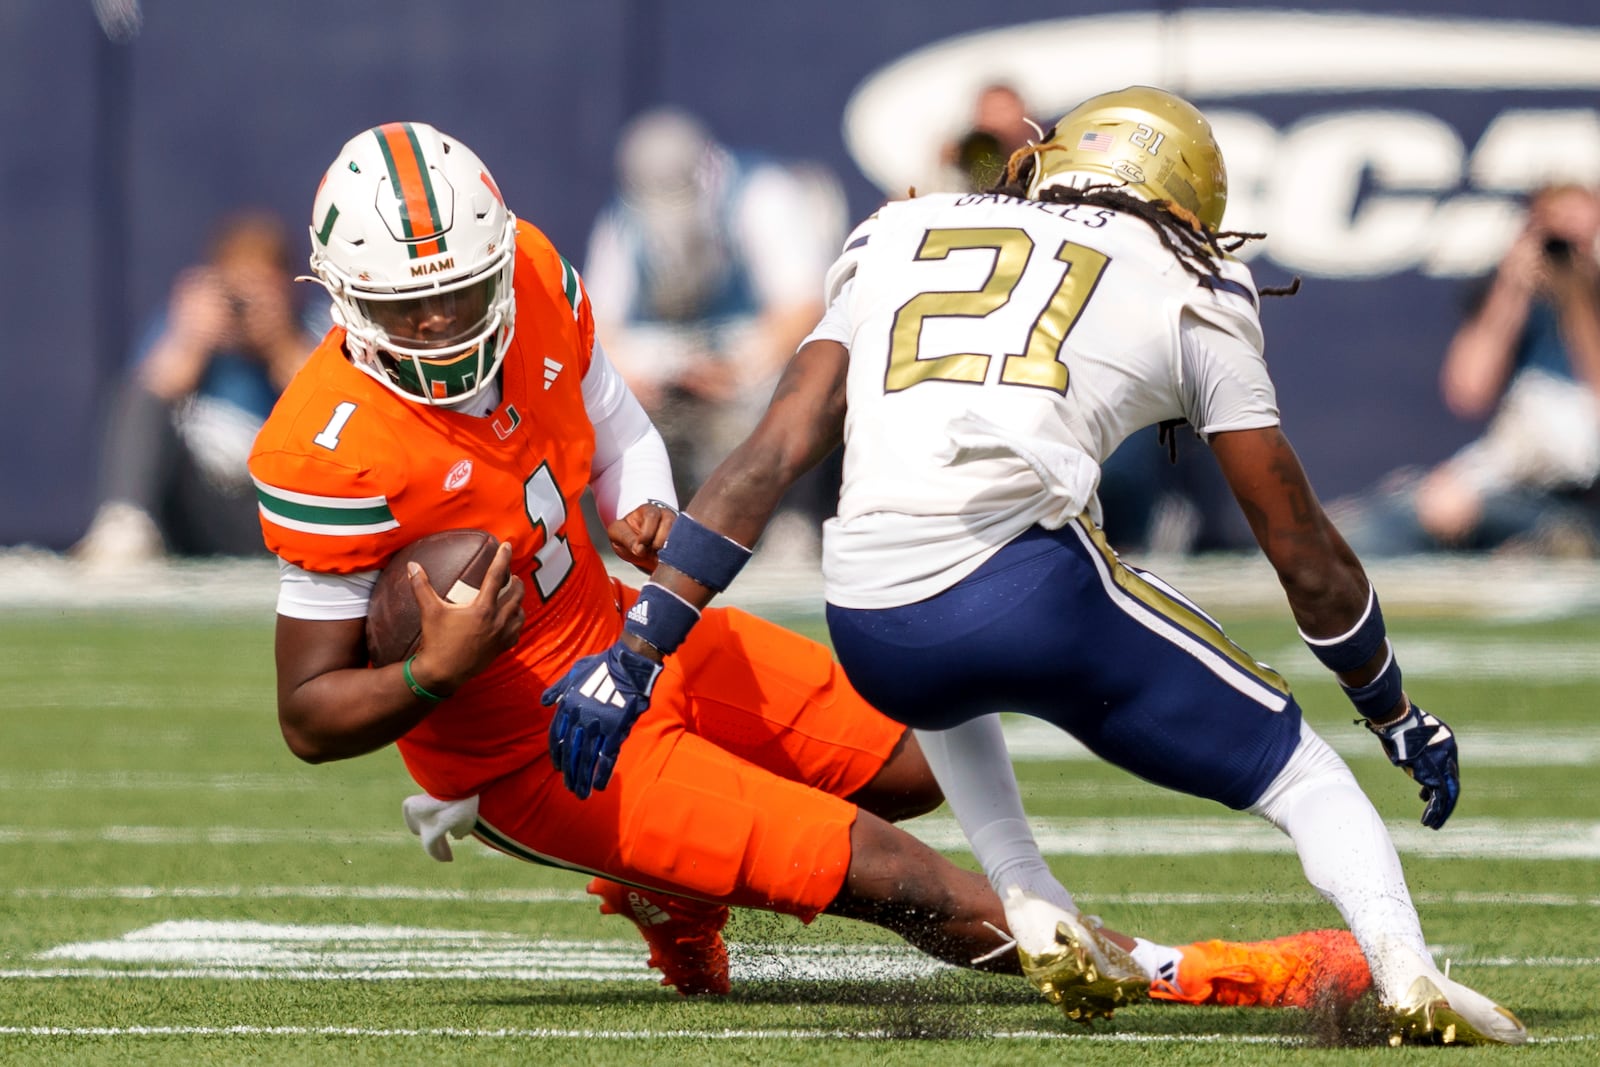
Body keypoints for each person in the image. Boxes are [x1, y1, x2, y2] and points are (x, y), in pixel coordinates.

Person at [248, 121, 1370, 1019]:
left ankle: (659, 882)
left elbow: (615, 416)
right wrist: (431, 674)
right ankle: (1207, 973)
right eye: (408, 304)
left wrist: (641, 507)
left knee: (918, 761)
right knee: (898, 876)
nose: (442, 323)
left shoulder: (534, 271)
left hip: (634, 637)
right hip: (536, 749)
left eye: (459, 291)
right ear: (340, 294)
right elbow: (307, 714)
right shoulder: (323, 445)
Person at [543, 89, 1528, 1046]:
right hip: (1025, 594)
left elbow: (773, 450)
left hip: (868, 620)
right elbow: (1300, 546)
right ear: (1180, 201)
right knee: (1305, 773)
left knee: (945, 656)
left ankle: (1029, 889)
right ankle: (1406, 965)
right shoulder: (1185, 273)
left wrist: (638, 651)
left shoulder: (897, 231)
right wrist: (1389, 705)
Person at [582, 107, 847, 560]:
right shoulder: (623, 218)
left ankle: (790, 518)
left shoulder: (762, 192)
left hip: (751, 364)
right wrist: (640, 376)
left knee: (809, 374)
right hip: (674, 369)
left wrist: (737, 368)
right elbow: (597, 325)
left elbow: (805, 306)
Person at [1336, 182, 1600, 557]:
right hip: (1513, 485)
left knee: (1425, 509)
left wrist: (1579, 295)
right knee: (1383, 522)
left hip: (1580, 496)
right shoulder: (1513, 299)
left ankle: (1549, 544)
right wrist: (1511, 289)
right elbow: (1469, 393)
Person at [75, 211, 324, 566]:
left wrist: (280, 344)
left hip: (276, 507)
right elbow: (148, 397)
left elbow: (334, 411)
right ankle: (125, 530)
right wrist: (191, 339)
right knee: (138, 395)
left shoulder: (314, 328)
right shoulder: (181, 328)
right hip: (197, 500)